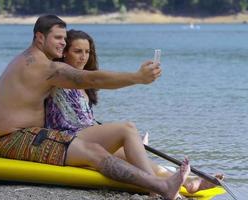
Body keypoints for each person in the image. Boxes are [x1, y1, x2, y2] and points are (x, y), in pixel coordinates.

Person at [0, 14, 190, 199]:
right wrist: (137, 77)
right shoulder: (43, 67)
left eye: (64, 39)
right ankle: (160, 187)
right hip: (13, 139)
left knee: (100, 148)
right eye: (58, 38)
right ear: (40, 38)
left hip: (21, 135)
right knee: (93, 152)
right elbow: (91, 78)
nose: (63, 43)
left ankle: (174, 184)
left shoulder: (26, 60)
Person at [44, 29, 224, 194]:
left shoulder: (84, 85)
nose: (83, 57)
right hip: (67, 140)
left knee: (130, 156)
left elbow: (85, 114)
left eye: (87, 52)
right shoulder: (56, 76)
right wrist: (138, 77)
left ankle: (189, 182)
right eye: (77, 51)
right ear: (64, 52)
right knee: (126, 128)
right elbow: (97, 80)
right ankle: (158, 188)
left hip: (86, 137)